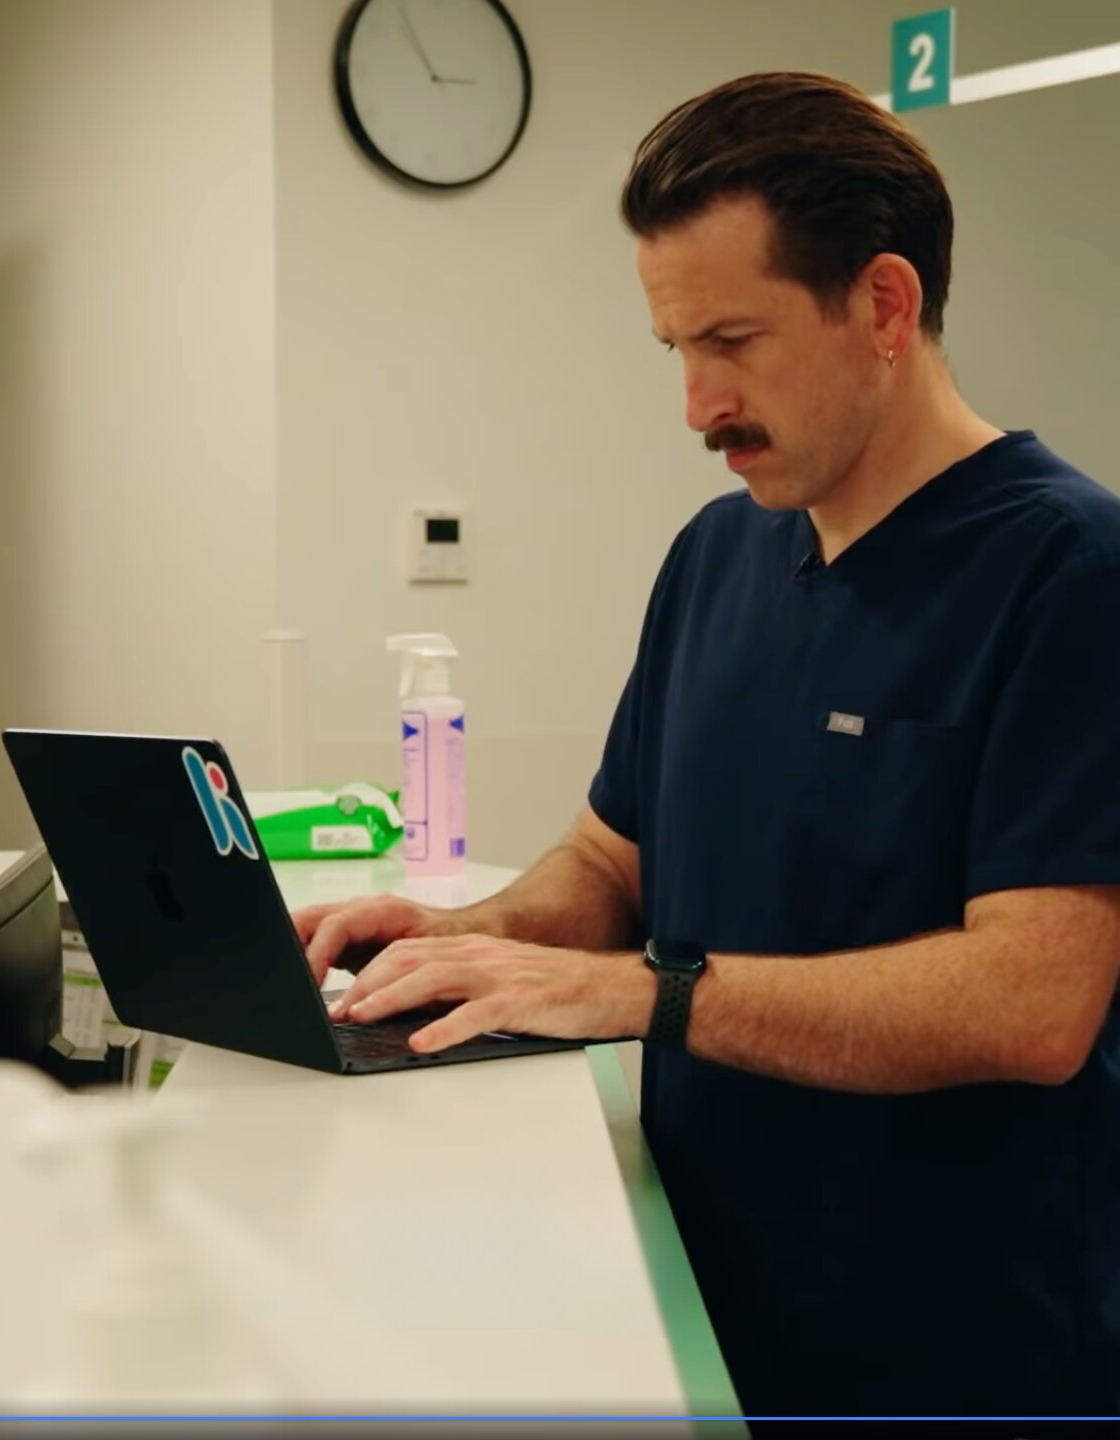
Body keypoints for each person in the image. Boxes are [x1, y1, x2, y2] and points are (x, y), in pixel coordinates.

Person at [293, 72, 1120, 1421]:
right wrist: (469, 943)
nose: (696, 406)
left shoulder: (1066, 570)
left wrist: (644, 991)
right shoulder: (718, 551)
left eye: (731, 341)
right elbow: (609, 859)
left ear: (883, 306)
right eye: (674, 350)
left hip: (958, 1339)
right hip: (713, 1284)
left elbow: (1033, 1006)